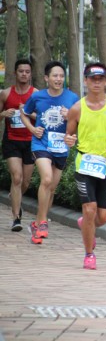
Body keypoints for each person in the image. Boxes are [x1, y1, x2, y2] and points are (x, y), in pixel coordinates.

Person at [64, 62, 106, 270]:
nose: (97, 83)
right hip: (84, 166)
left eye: (100, 79)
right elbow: (68, 135)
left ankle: (86, 225)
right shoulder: (77, 108)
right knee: (89, 209)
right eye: (93, 79)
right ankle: (89, 254)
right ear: (86, 81)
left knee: (103, 217)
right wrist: (69, 140)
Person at [21, 61, 79, 244]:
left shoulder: (72, 98)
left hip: (61, 147)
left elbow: (81, 121)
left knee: (51, 188)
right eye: (55, 75)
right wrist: (32, 129)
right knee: (46, 179)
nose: (58, 79)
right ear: (47, 78)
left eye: (61, 76)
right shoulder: (38, 96)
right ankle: (43, 222)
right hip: (41, 144)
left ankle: (37, 224)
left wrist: (70, 116)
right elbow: (23, 113)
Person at [0, 59, 37, 232]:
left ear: (31, 74)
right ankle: (16, 217)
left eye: (27, 71)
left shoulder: (36, 94)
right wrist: (4, 114)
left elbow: (42, 117)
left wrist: (28, 113)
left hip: (31, 141)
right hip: (11, 140)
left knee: (25, 181)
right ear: (15, 73)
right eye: (21, 71)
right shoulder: (6, 94)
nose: (24, 74)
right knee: (16, 177)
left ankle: (16, 197)